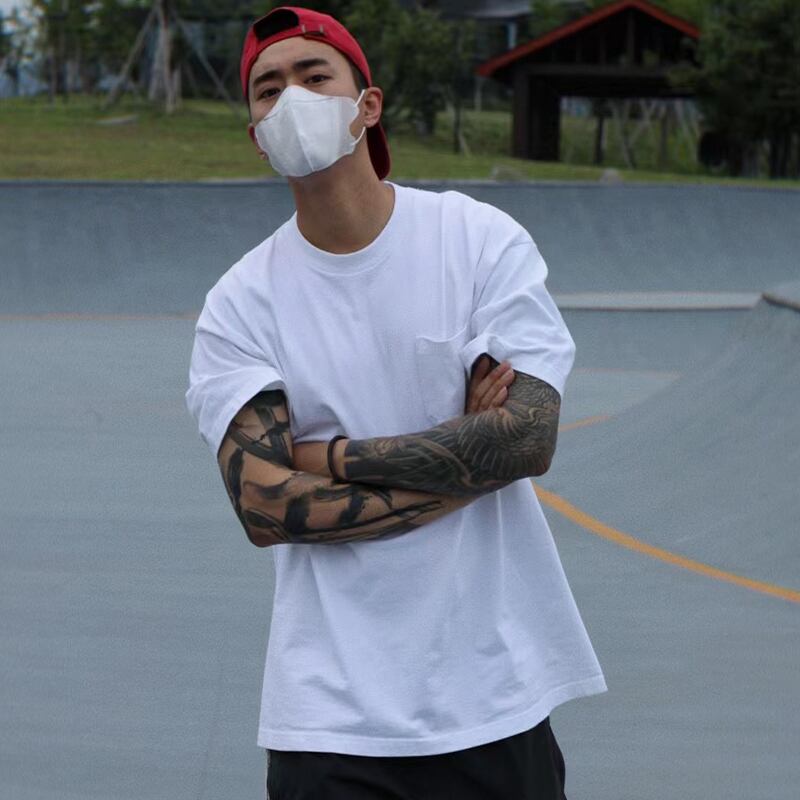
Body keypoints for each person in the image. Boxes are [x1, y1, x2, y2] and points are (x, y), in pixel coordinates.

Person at [185, 6, 606, 799]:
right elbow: (267, 508)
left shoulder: (475, 240)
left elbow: (527, 437)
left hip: (495, 695)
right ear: (257, 136)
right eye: (268, 90)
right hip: (329, 718)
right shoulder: (240, 305)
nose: (292, 99)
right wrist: (468, 455)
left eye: (315, 76)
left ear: (367, 105)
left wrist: (325, 457)